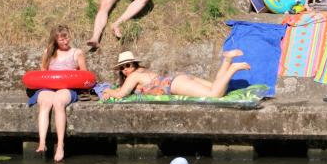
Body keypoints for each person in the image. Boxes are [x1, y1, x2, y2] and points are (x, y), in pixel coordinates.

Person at [29, 24, 87, 162]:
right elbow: (42, 73)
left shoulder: (77, 53)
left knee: (58, 102)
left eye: (66, 38)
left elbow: (85, 74)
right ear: (55, 40)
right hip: (49, 87)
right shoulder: (48, 52)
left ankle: (60, 145)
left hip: (67, 87)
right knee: (45, 102)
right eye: (61, 39)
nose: (65, 41)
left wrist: (73, 74)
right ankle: (42, 143)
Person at [100, 49, 249, 100]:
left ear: (134, 65)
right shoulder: (140, 72)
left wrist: (107, 91)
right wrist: (113, 92)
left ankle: (233, 68)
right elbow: (120, 90)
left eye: (128, 65)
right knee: (218, 88)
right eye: (122, 68)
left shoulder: (133, 76)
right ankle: (228, 59)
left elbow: (121, 94)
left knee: (214, 94)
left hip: (174, 84)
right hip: (178, 79)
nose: (125, 69)